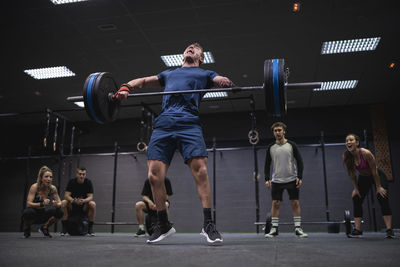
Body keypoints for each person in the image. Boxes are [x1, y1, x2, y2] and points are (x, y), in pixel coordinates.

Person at [115, 43, 232, 244]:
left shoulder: (205, 73)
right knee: (153, 176)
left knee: (201, 171)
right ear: (183, 54)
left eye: (195, 49)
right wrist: (126, 87)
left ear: (201, 57)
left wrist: (222, 80)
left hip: (189, 123)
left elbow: (217, 79)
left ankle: (208, 224)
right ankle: (163, 225)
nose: (190, 49)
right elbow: (142, 81)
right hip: (164, 125)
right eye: (188, 47)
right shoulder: (168, 74)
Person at [343, 134, 394, 238]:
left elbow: (374, 172)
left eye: (351, 140)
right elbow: (352, 174)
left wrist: (379, 187)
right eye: (347, 141)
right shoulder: (347, 156)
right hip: (363, 177)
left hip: (377, 175)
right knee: (356, 197)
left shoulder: (366, 153)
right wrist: (356, 189)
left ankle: (389, 230)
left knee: (382, 196)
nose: (348, 142)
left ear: (357, 143)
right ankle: (357, 230)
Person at [264, 122, 308, 238]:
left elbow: (300, 161)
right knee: (275, 203)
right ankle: (274, 229)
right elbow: (267, 164)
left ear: (284, 131)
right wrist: (267, 178)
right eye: (275, 131)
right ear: (273, 133)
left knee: (295, 202)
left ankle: (298, 228)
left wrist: (300, 176)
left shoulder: (291, 145)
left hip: (292, 179)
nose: (277, 132)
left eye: (279, 130)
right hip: (276, 180)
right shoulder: (271, 147)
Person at [22, 166, 63, 238]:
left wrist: (57, 204)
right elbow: (28, 204)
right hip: (33, 215)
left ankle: (44, 227)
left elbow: (60, 203)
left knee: (60, 212)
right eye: (46, 177)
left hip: (43, 214)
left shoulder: (52, 188)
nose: (49, 179)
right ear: (41, 178)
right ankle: (27, 229)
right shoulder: (35, 187)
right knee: (27, 212)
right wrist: (41, 204)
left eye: (50, 177)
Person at [61, 167, 96, 236]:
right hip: (73, 205)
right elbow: (66, 195)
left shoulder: (88, 182)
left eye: (83, 174)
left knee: (92, 204)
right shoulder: (71, 182)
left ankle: (90, 228)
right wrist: (73, 200)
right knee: (64, 202)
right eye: (80, 174)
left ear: (85, 175)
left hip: (84, 206)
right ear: (76, 174)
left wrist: (84, 200)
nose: (81, 176)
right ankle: (64, 228)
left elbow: (90, 197)